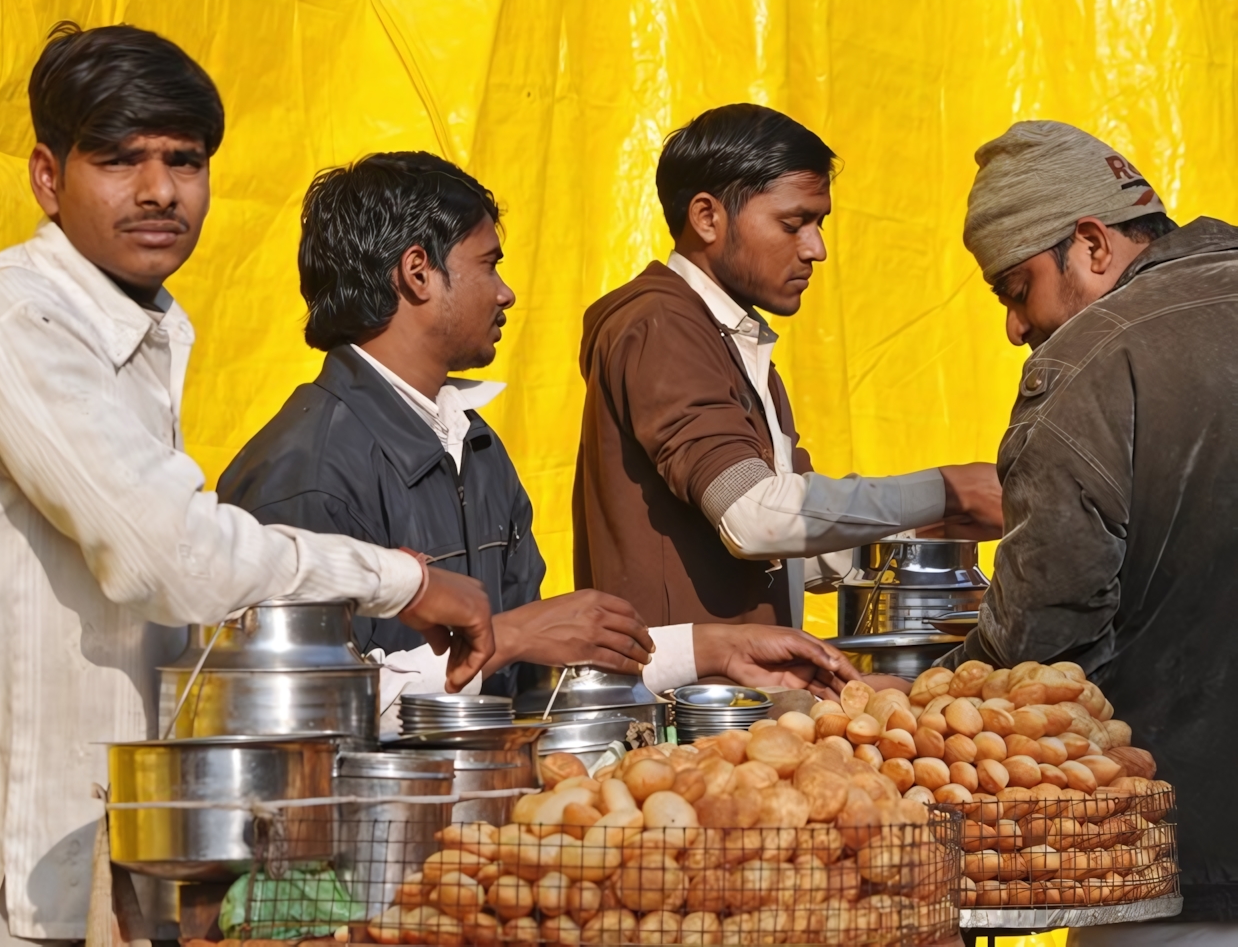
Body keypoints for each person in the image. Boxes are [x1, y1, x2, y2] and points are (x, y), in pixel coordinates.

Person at [0, 26, 493, 947]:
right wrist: (401, 580)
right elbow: (171, 558)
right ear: (46, 176)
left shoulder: (141, 328)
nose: (158, 190)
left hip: (137, 845)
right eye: (118, 160)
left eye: (184, 160)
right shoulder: (19, 324)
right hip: (37, 865)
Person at [217, 151, 861, 730]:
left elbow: (531, 674)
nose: (506, 292)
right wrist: (508, 636)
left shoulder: (476, 445)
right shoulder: (302, 472)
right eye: (489, 263)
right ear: (418, 272)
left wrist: (714, 649)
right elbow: (291, 715)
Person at [942, 120, 1238, 944]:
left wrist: (930, 693)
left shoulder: (1092, 363)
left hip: (1180, 871)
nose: (1013, 326)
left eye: (1014, 288)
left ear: (1092, 244)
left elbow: (1043, 635)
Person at [575, 103, 1004, 633]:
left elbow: (789, 544)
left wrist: (933, 529)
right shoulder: (661, 323)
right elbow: (755, 517)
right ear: (707, 217)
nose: (817, 249)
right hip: (680, 705)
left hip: (751, 699)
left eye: (819, 223)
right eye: (793, 223)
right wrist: (944, 489)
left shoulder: (733, 339)